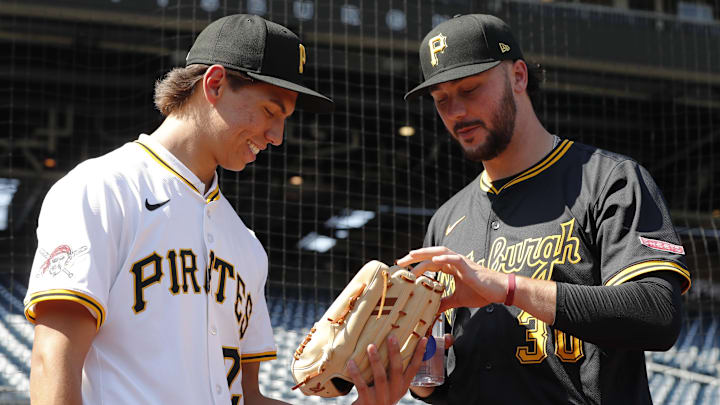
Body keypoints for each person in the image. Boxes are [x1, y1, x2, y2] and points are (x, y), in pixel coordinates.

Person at [24, 14, 424, 405]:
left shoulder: (245, 244)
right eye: (271, 111)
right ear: (214, 84)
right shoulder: (103, 189)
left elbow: (247, 397)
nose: (277, 137)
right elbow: (52, 361)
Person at [397, 14, 691, 404]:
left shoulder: (609, 180)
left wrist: (506, 288)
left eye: (469, 89)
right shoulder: (446, 221)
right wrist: (419, 369)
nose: (456, 112)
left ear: (519, 77)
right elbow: (436, 384)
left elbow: (657, 314)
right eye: (441, 100)